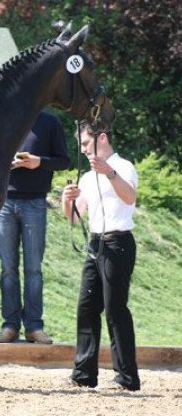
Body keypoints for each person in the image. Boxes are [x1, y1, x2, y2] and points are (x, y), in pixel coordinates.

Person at [62, 121, 140, 391]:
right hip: (95, 244)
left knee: (115, 310)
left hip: (118, 243)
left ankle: (127, 378)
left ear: (102, 138)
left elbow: (130, 198)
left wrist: (110, 173)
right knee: (86, 308)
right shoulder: (87, 177)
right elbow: (73, 217)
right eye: (81, 145)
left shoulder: (124, 166)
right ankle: (84, 374)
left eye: (85, 143)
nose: (82, 150)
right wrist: (66, 198)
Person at [0, 111, 70, 344]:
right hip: (4, 202)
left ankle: (34, 326)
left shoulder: (50, 122)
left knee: (33, 269)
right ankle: (10, 325)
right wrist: (7, 162)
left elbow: (64, 161)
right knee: (8, 268)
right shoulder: (5, 119)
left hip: (35, 203)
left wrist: (40, 162)